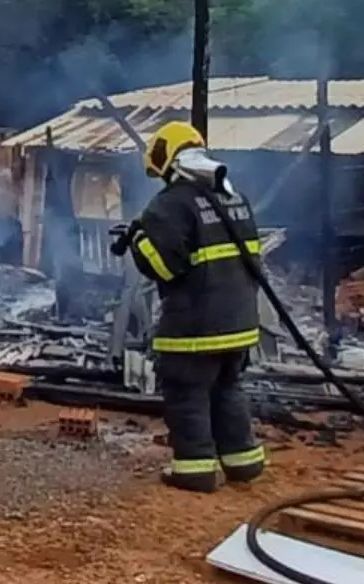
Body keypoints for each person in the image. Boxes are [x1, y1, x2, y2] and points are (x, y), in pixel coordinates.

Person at [114, 120, 267, 493]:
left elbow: (165, 268)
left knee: (187, 391)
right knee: (227, 387)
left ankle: (194, 468)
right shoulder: (233, 197)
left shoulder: (171, 204)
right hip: (239, 323)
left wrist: (138, 241)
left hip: (196, 325)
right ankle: (243, 461)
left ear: (167, 159)